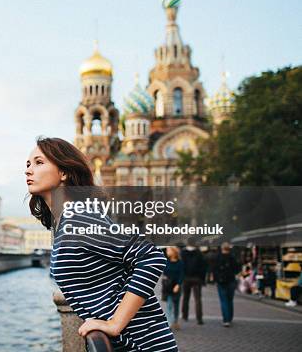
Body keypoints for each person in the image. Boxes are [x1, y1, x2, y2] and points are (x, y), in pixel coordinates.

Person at [26, 137, 178, 351]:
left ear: (64, 172)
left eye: (39, 162)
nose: (29, 170)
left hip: (140, 345)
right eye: (28, 164)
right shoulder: (65, 222)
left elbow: (151, 257)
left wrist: (115, 324)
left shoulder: (79, 217)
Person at [212, 242, 240, 327]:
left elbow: (214, 269)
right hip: (231, 281)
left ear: (222, 248)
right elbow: (237, 269)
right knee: (230, 300)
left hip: (221, 282)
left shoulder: (218, 257)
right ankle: (230, 318)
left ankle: (226, 319)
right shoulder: (232, 257)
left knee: (223, 300)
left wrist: (216, 279)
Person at [180, 241, 206, 325]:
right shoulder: (199, 253)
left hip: (186, 278)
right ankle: (199, 318)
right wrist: (202, 278)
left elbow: (181, 265)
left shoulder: (183, 252)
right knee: (198, 299)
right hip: (197, 279)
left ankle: (185, 315)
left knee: (185, 298)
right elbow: (203, 267)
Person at [162, 247, 184, 330]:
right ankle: (169, 323)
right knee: (169, 305)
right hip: (168, 286)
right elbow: (165, 273)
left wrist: (178, 285)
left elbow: (181, 275)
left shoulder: (180, 263)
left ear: (174, 252)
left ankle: (175, 321)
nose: (167, 252)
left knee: (176, 305)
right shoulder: (167, 262)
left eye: (168, 250)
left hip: (176, 286)